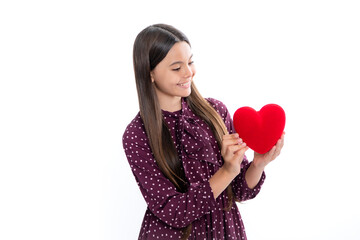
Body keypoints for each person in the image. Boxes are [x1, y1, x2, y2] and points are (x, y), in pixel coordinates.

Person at [122, 23, 285, 240]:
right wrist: (226, 171)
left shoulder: (215, 111)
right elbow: (173, 211)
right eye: (176, 67)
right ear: (150, 73)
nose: (189, 72)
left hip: (224, 231)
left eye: (190, 62)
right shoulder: (137, 134)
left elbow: (238, 190)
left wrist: (258, 164)